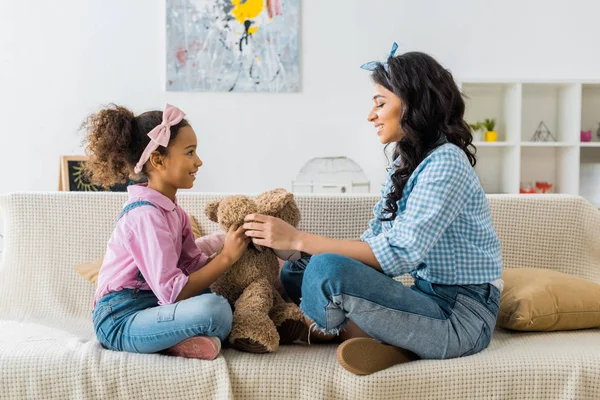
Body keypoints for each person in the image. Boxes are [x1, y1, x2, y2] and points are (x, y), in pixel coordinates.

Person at [243, 44, 503, 375]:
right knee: (298, 269)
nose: (371, 115)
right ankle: (388, 343)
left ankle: (339, 333)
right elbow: (375, 239)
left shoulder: (446, 163)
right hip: (427, 299)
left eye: (380, 103)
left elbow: (398, 255)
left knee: (325, 270)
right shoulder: (407, 164)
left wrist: (298, 239)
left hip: (461, 318)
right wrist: (293, 252)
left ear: (414, 104)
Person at [84, 103, 249, 359]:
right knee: (215, 310)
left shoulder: (173, 211)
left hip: (155, 309)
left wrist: (231, 253)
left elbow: (193, 266)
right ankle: (169, 339)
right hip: (120, 319)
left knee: (228, 298)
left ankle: (173, 341)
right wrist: (227, 257)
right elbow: (174, 292)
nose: (199, 161)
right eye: (190, 152)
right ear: (158, 160)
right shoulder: (145, 215)